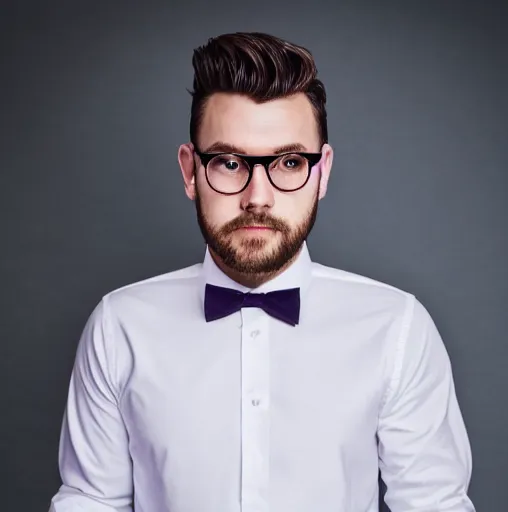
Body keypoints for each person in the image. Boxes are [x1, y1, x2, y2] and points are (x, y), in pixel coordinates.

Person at [49, 32, 475, 512]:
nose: (258, 196)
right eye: (230, 162)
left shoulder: (398, 328)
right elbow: (90, 502)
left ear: (322, 172)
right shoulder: (118, 325)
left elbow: (435, 505)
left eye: (289, 162)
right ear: (191, 171)